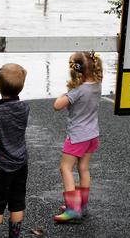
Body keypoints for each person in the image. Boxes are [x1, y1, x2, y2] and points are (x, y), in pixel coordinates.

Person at [52, 51, 103, 223]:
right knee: (83, 169)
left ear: (75, 70)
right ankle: (82, 206)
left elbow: (57, 105)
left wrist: (65, 93)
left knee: (65, 169)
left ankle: (73, 210)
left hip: (77, 136)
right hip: (92, 135)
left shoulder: (78, 91)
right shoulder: (97, 85)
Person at [0, 63, 29, 238]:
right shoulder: (25, 108)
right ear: (22, 87)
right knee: (17, 203)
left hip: (0, 167)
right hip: (21, 163)